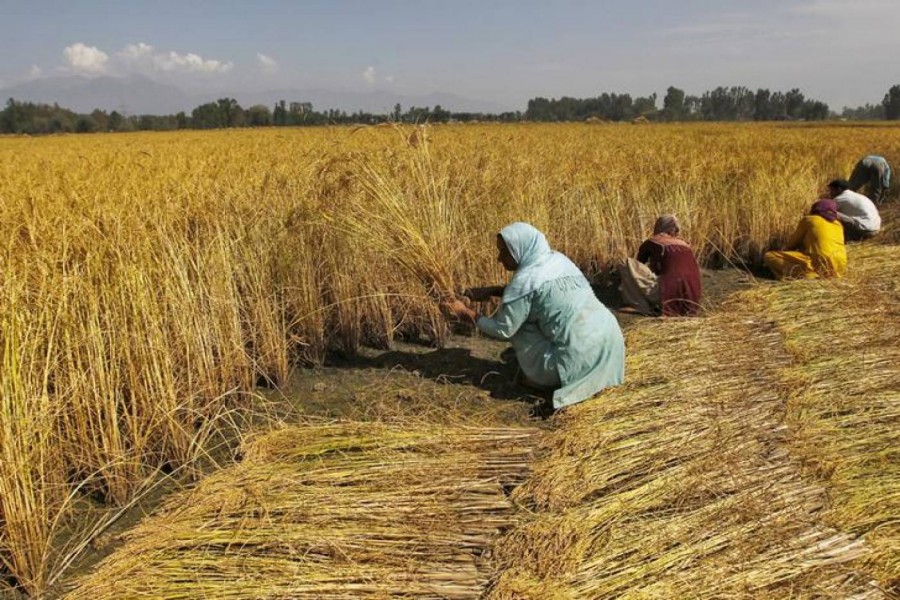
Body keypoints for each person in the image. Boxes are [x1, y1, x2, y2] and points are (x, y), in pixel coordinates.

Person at [445, 222, 625, 412]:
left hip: (578, 358)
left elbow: (504, 329)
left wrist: (465, 313)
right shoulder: (559, 260)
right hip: (610, 343)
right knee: (526, 313)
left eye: (504, 252)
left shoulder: (524, 282)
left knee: (518, 324)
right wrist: (493, 290)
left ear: (520, 249)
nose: (499, 259)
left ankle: (540, 378)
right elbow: (541, 293)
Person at [617, 214, 702, 316]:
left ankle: (639, 305)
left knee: (625, 263)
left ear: (659, 226)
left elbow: (639, 264)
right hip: (692, 300)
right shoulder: (686, 245)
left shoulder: (653, 241)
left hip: (667, 295)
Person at [763, 199, 847, 280]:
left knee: (769, 256)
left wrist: (785, 250)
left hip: (819, 263)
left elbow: (792, 243)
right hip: (840, 267)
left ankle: (810, 275)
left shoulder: (809, 219)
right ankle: (821, 274)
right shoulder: (838, 225)